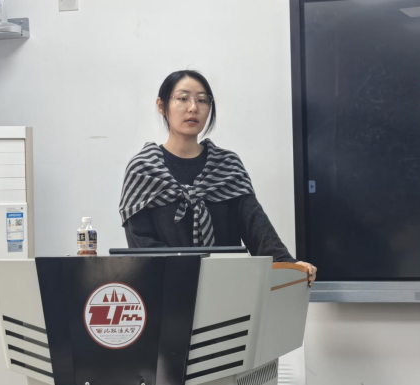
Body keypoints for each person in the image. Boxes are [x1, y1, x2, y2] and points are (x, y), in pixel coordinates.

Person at [119, 70, 317, 286]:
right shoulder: (143, 169)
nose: (193, 107)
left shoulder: (227, 165)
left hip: (226, 289)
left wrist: (288, 265)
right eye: (182, 98)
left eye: (202, 100)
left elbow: (256, 227)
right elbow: (141, 246)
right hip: (165, 290)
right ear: (161, 105)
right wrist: (187, 274)